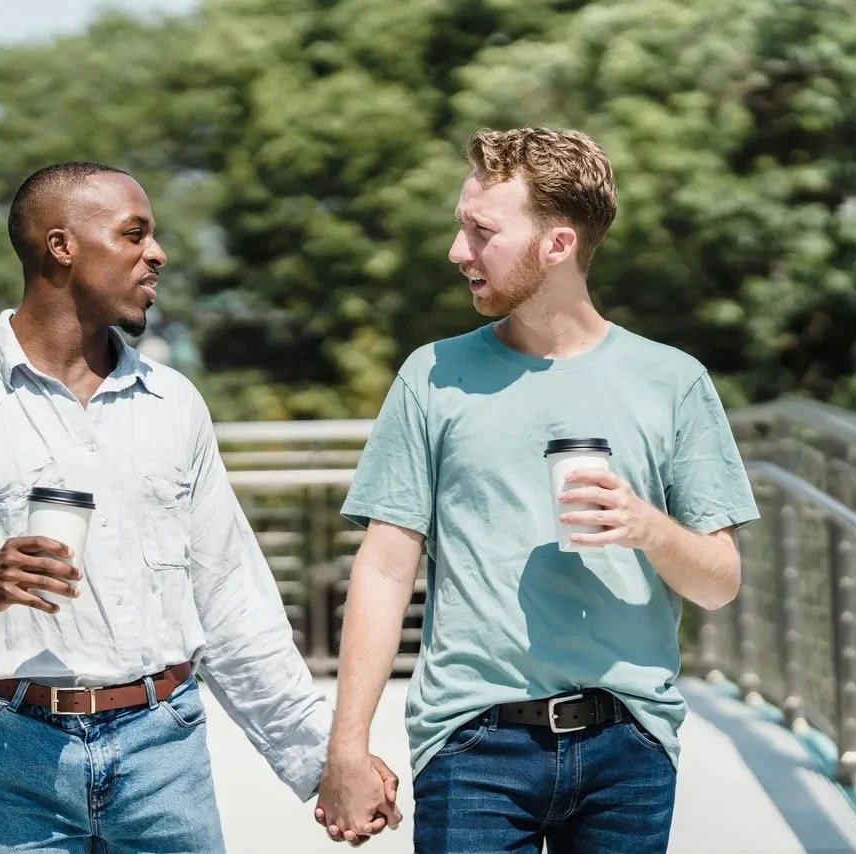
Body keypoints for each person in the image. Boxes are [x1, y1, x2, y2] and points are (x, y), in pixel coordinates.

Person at [0, 162, 400, 853]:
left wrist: (323, 762)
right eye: (134, 235)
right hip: (12, 756)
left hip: (167, 751)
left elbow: (230, 601)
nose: (156, 253)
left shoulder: (174, 405)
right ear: (60, 246)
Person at [313, 127, 760, 852]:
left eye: (481, 231)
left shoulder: (673, 382)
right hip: (472, 749)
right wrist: (346, 748)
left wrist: (648, 527)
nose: (458, 252)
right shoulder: (430, 376)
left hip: (630, 747)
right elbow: (386, 565)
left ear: (556, 245)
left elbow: (721, 583)